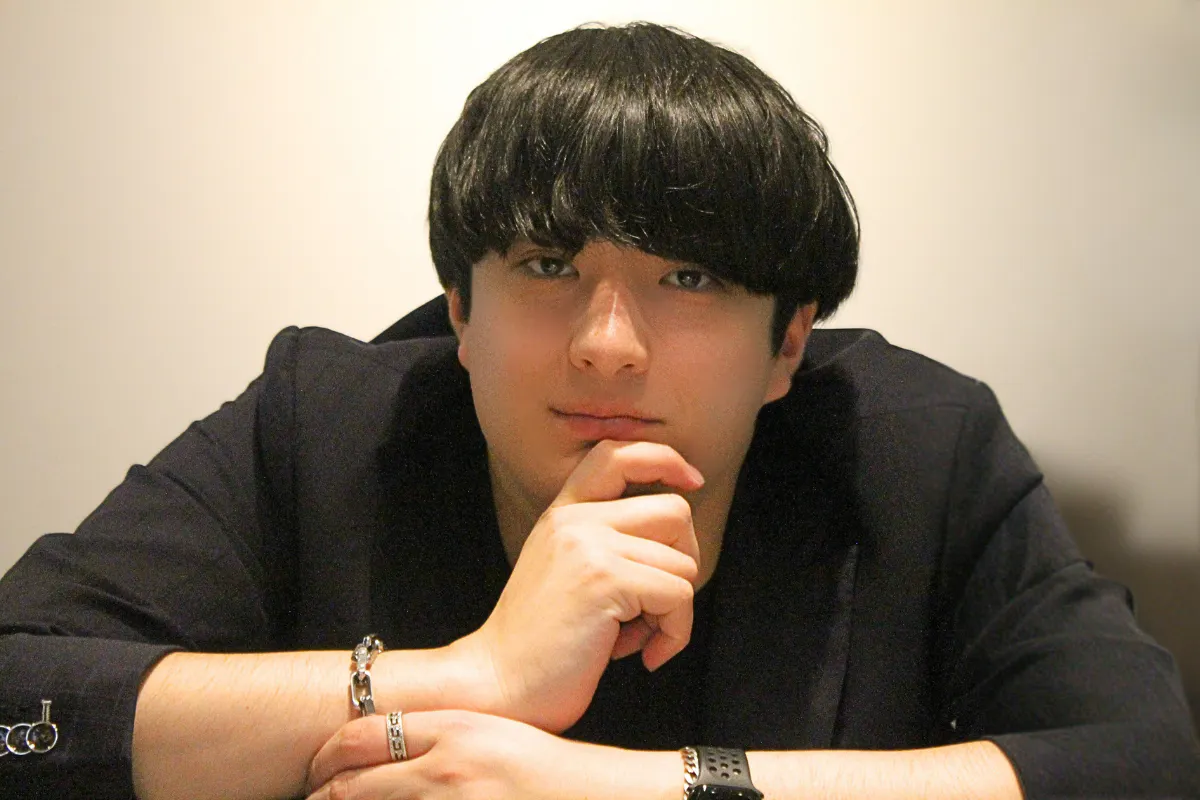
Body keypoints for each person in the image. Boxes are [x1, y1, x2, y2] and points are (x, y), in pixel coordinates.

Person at [1, 21, 1196, 800]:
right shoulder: (322, 423)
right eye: (545, 263)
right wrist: (473, 672)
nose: (606, 343)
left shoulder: (918, 446)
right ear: (458, 310)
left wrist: (628, 784)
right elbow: (19, 698)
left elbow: (1138, 756)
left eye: (691, 277)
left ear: (789, 340)